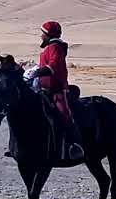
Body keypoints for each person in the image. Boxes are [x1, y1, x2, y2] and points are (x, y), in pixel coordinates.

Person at [30, 21, 85, 161]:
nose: (41, 36)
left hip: (57, 90)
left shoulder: (55, 47)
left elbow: (54, 65)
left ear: (48, 35)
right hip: (43, 90)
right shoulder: (49, 48)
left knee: (64, 113)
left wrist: (39, 71)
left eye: (43, 33)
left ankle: (74, 144)